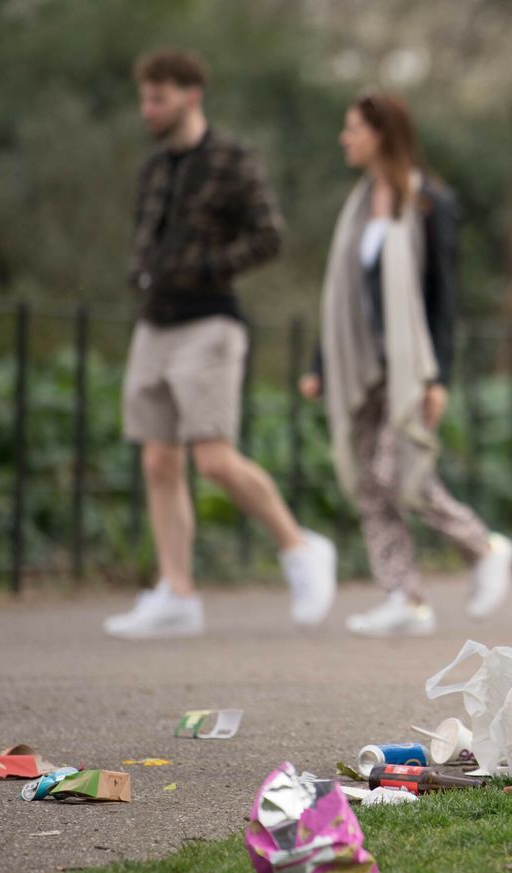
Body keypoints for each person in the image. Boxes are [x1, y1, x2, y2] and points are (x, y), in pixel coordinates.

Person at [105, 50, 337, 639]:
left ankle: (300, 547)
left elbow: (268, 236)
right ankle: (177, 594)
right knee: (158, 459)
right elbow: (144, 237)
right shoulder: (154, 167)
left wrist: (204, 268)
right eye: (144, 97)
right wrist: (142, 274)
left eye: (157, 98)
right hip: (154, 322)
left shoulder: (233, 158)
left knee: (211, 458)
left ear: (190, 95)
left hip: (210, 321)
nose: (147, 109)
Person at [299, 92, 512, 637]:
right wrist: (321, 363)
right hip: (363, 365)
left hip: (408, 367)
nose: (344, 139)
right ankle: (404, 597)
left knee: (401, 476)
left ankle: (483, 546)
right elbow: (343, 298)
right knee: (368, 483)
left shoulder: (430, 204)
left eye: (353, 130)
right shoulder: (356, 207)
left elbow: (444, 297)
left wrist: (437, 376)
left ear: (383, 134)